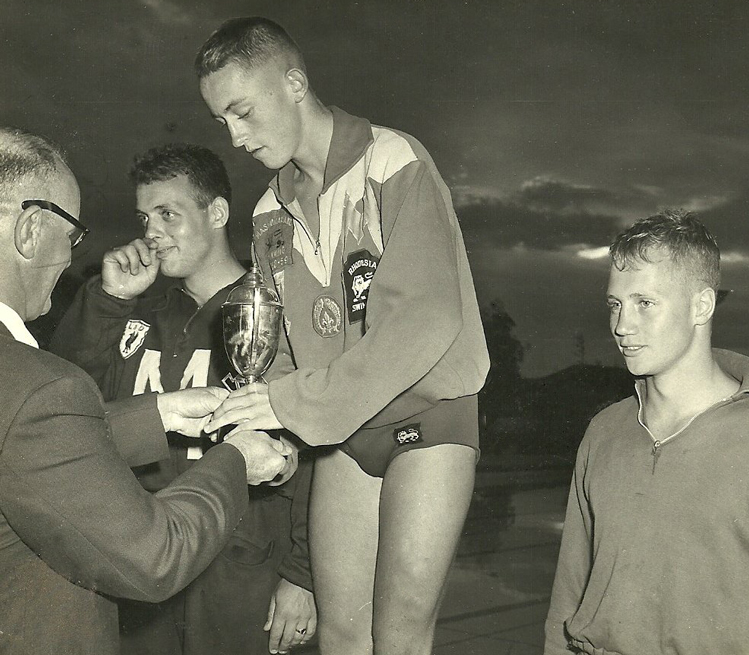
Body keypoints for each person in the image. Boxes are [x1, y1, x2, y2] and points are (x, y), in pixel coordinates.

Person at [194, 17, 490, 655]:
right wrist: (266, 417)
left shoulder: (392, 160)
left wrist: (291, 402)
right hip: (345, 433)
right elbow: (282, 346)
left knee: (399, 633)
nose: (235, 136)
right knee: (342, 635)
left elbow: (426, 316)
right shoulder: (268, 212)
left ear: (294, 84)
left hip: (428, 416)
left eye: (243, 112)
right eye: (222, 122)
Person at [0, 126, 294, 655]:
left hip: (233, 564)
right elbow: (59, 401)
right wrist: (108, 302)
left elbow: (315, 444)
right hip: (138, 556)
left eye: (168, 214)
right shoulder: (134, 313)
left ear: (218, 213)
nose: (152, 232)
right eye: (144, 218)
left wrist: (304, 574)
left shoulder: (268, 312)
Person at [544, 209, 749, 655]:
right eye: (615, 304)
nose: (622, 326)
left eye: (645, 303)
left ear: (702, 306)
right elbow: (567, 602)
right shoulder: (604, 432)